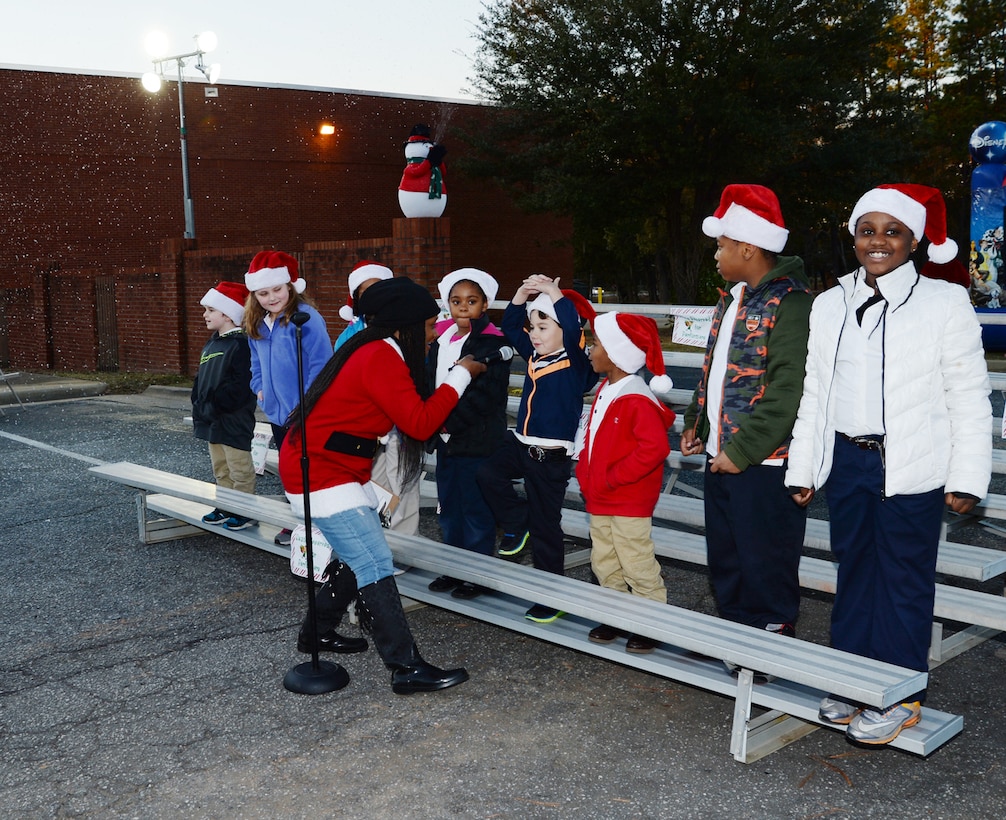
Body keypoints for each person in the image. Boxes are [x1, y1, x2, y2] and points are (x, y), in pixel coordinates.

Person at [786, 183, 992, 745]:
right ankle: (852, 678)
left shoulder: (943, 303)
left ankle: (900, 692)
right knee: (853, 571)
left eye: (892, 231)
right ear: (853, 237)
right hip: (850, 463)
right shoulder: (830, 304)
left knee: (903, 578)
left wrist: (968, 475)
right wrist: (803, 467)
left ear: (914, 240)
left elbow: (968, 396)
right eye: (867, 230)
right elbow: (816, 393)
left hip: (913, 465)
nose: (879, 241)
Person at [278, 276, 486, 694]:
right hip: (321, 471)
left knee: (359, 553)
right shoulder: (381, 355)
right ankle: (405, 667)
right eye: (429, 326)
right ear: (404, 326)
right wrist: (462, 373)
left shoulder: (372, 347)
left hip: (331, 467)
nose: (432, 334)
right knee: (374, 562)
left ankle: (316, 633)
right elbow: (420, 422)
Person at [681, 184, 812, 665]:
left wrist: (743, 450)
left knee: (765, 557)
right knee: (728, 555)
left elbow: (787, 390)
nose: (716, 254)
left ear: (748, 247)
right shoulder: (732, 298)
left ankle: (771, 640)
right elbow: (713, 368)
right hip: (724, 453)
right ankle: (738, 635)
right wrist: (696, 420)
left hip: (763, 460)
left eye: (721, 245)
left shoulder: (792, 302)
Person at [477, 274, 598, 623]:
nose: (534, 334)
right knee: (486, 474)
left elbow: (573, 331)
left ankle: (551, 594)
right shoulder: (533, 354)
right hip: (520, 444)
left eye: (543, 327)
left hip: (549, 458)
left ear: (566, 329)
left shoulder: (575, 363)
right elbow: (511, 327)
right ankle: (518, 520)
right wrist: (520, 295)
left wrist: (554, 294)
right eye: (533, 327)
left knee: (548, 529)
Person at [577, 311, 676, 653]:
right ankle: (615, 613)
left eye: (597, 343)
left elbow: (655, 448)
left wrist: (613, 476)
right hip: (601, 495)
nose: (590, 349)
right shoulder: (606, 388)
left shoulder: (635, 398)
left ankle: (650, 619)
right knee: (604, 559)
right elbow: (592, 436)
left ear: (617, 353)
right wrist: (586, 473)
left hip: (627, 498)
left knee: (635, 559)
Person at [425, 268, 510, 599]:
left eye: (471, 301)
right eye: (456, 301)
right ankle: (453, 566)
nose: (463, 308)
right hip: (445, 439)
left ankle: (477, 573)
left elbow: (486, 397)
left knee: (476, 507)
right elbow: (431, 381)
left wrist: (448, 421)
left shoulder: (493, 344)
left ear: (485, 303)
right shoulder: (441, 338)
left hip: (475, 437)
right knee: (449, 505)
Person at [243, 250, 332, 547]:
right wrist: (259, 388)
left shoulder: (306, 320)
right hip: (278, 414)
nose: (271, 298)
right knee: (291, 469)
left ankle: (318, 525)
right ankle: (298, 519)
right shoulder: (257, 323)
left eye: (277, 289)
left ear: (290, 286)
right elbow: (255, 362)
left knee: (311, 470)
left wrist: (307, 403)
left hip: (305, 412)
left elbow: (322, 365)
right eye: (263, 293)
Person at [191, 281, 259, 531]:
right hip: (212, 419)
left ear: (228, 314)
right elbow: (200, 379)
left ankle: (245, 509)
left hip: (233, 419)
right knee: (221, 468)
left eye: (210, 310)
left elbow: (241, 385)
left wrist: (217, 403)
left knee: (239, 467)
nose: (205, 314)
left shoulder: (240, 345)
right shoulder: (212, 344)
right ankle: (227, 505)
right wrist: (199, 404)